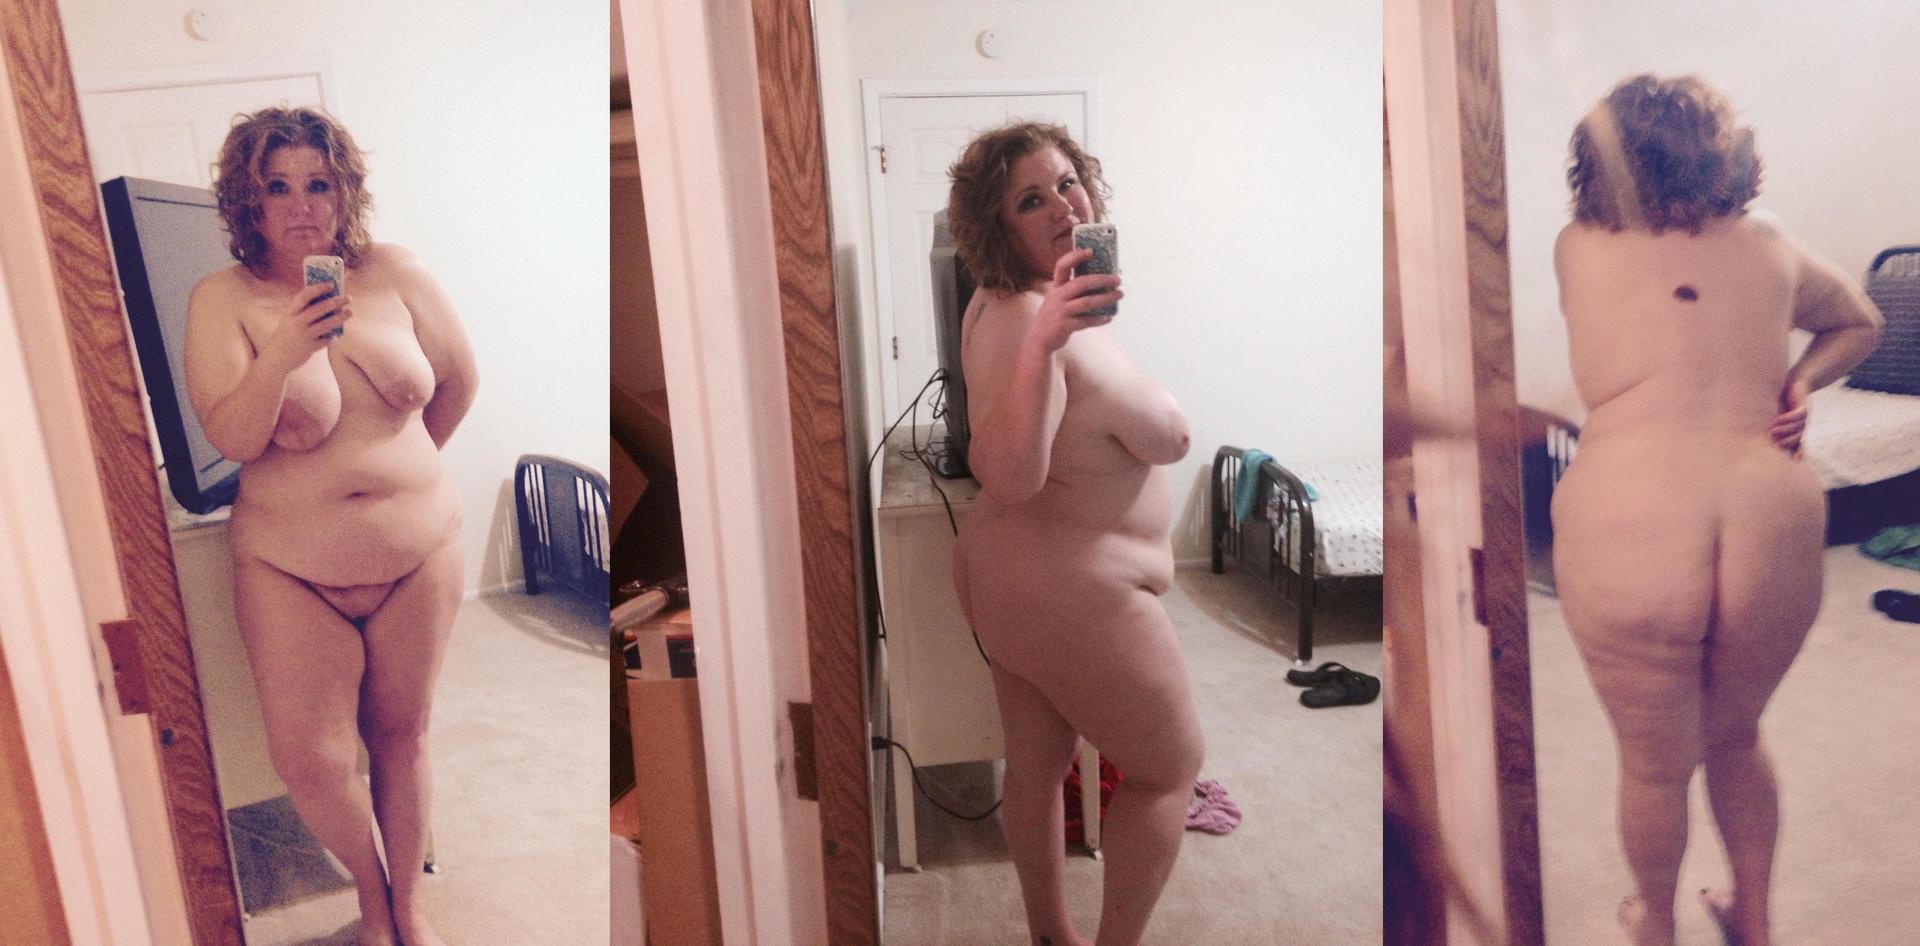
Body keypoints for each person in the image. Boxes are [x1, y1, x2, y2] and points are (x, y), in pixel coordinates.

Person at [1550, 75, 1881, 946]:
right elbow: (1860, 321)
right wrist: (1800, 381)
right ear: (1724, 153)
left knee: (1654, 765)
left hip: (1630, 508)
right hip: (1769, 501)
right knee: (1736, 735)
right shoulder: (1768, 241)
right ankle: (1755, 920)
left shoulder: (1576, 244)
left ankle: (1654, 924)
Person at [185, 106, 477, 946]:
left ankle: (407, 909)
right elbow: (234, 437)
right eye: (276, 187)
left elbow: (458, 382)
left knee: (403, 733)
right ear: (248, 203)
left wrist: (399, 483)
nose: (301, 205)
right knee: (310, 761)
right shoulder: (223, 299)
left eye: (317, 183)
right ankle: (372, 896)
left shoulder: (396, 272)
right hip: (289, 567)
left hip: (420, 553)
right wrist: (284, 352)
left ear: (345, 189)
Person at [948, 121, 1203, 946]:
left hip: (1019, 584)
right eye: (1030, 200)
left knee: (1036, 764)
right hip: (1072, 596)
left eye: (1066, 182)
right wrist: (1047, 346)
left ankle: (1050, 937)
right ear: (997, 229)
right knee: (1168, 769)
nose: (1062, 206)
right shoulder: (1030, 324)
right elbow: (1008, 473)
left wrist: (1059, 336)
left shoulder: (1014, 302)